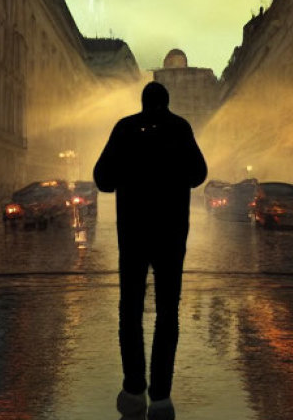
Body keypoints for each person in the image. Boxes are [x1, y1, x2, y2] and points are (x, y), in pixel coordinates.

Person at [94, 82, 207, 420]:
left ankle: (133, 388)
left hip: (133, 233)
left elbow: (103, 179)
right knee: (167, 312)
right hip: (172, 234)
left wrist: (130, 174)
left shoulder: (125, 128)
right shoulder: (180, 127)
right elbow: (198, 174)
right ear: (168, 102)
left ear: (142, 102)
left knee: (129, 310)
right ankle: (161, 396)